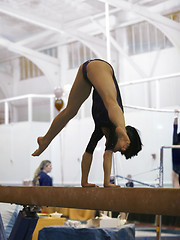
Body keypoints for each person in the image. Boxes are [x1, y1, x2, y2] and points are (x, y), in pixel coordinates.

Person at [32, 59, 142, 187]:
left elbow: (89, 153)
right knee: (111, 102)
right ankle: (122, 130)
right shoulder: (115, 126)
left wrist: (84, 181)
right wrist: (106, 183)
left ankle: (45, 140)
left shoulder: (100, 130)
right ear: (125, 145)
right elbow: (108, 155)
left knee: (70, 110)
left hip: (86, 71)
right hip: (101, 68)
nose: (113, 150)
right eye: (119, 150)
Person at [172, 109, 180, 188]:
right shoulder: (176, 140)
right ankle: (176, 116)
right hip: (176, 165)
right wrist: (176, 115)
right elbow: (175, 128)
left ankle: (176, 116)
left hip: (176, 165)